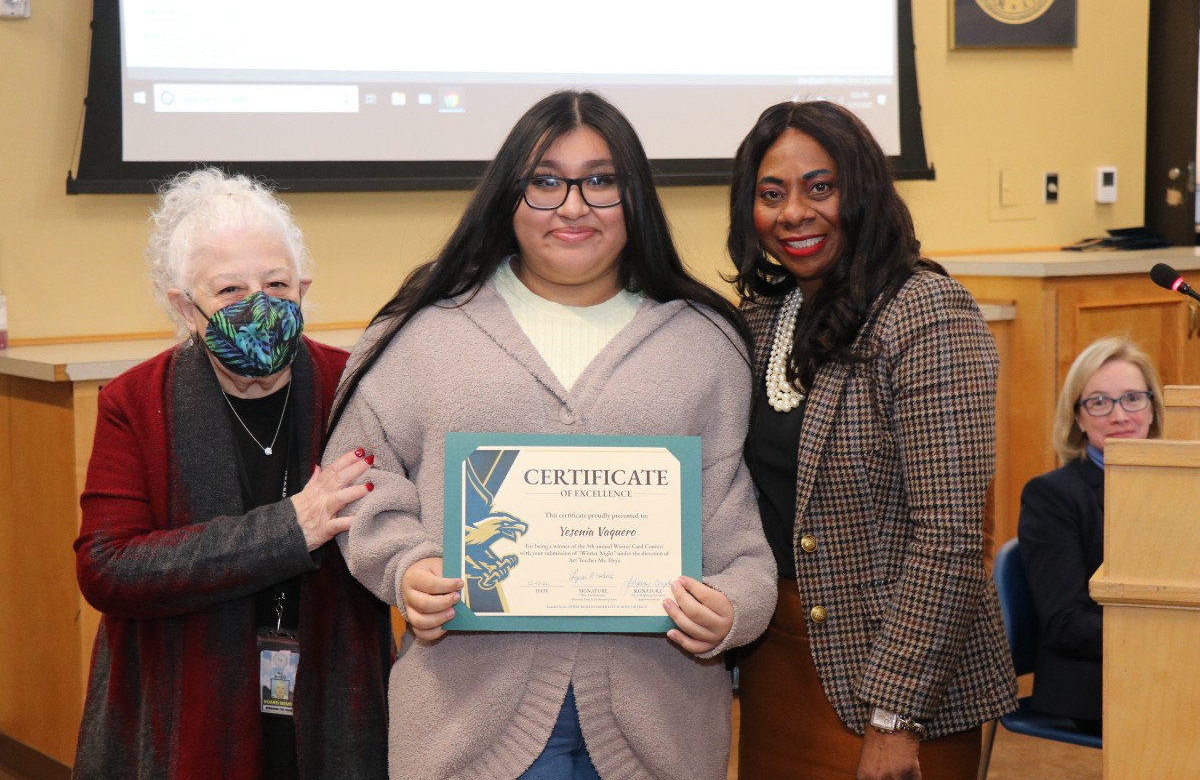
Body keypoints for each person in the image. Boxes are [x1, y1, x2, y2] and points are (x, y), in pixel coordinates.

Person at [323, 90, 776, 780]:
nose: (572, 206)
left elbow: (737, 530)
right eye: (545, 181)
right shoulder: (418, 333)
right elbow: (359, 474)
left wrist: (734, 609)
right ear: (509, 194)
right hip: (462, 724)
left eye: (600, 181)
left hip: (662, 727)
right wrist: (406, 566)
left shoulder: (706, 343)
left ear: (636, 198)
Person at [727, 100, 1018, 780]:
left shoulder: (926, 313)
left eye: (819, 187)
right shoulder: (765, 315)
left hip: (897, 686)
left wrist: (894, 719)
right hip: (778, 665)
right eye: (772, 194)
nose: (793, 212)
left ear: (861, 191)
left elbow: (948, 537)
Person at [73, 168, 393, 780]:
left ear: (303, 288)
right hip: (183, 706)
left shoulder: (354, 385)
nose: (259, 306)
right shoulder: (134, 402)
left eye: (276, 283)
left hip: (332, 699)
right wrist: (288, 529)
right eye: (229, 291)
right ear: (185, 307)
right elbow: (107, 566)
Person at [1017, 336, 1163, 737]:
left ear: (1152, 408)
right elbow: (1065, 622)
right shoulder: (1052, 496)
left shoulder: (1180, 484)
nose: (1120, 415)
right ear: (1077, 418)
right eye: (1099, 402)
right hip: (1098, 677)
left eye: (1133, 398)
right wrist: (1164, 643)